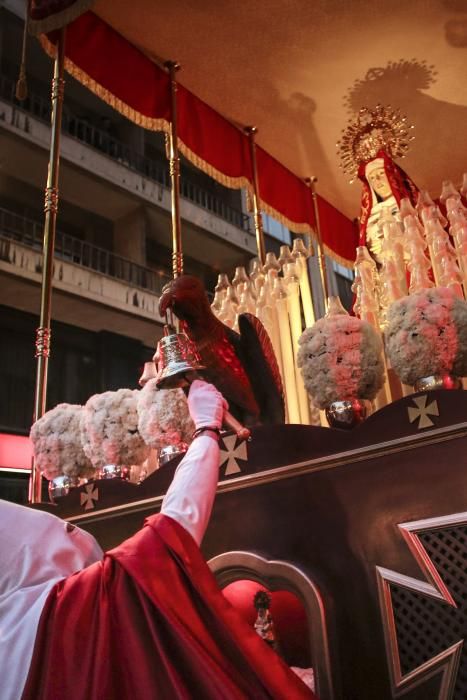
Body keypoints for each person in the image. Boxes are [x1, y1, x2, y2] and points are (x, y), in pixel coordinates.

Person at [0, 380, 315, 699]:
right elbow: (174, 529)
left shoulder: (12, 628)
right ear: (24, 557)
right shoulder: (62, 614)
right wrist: (206, 430)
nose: (78, 534)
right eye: (65, 529)